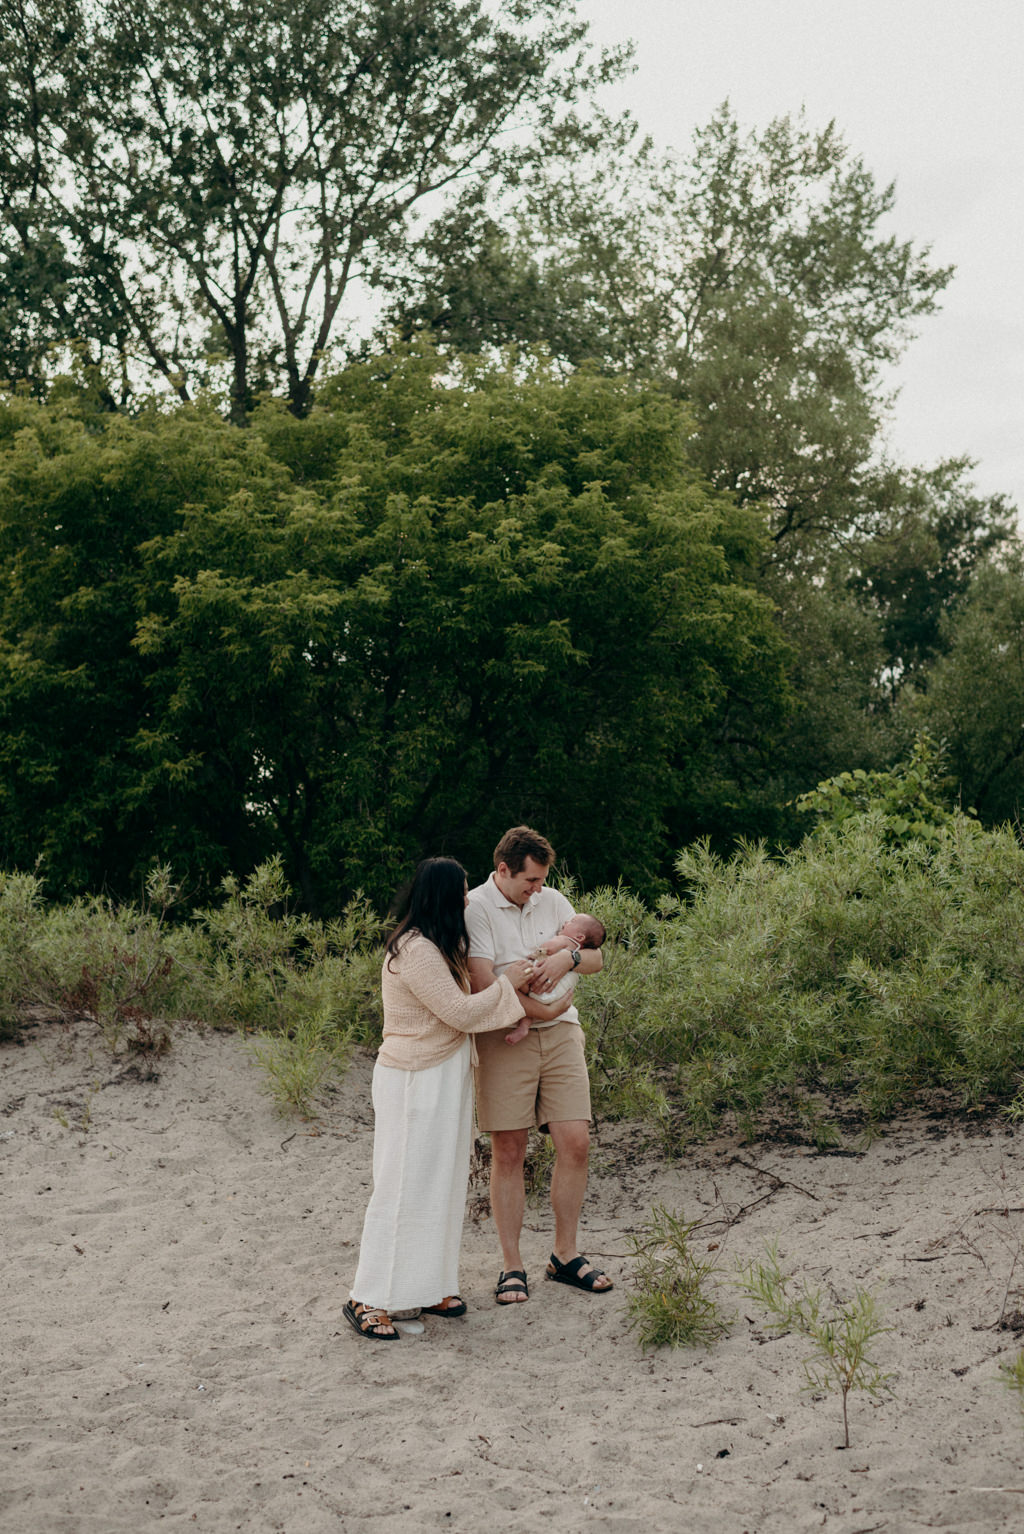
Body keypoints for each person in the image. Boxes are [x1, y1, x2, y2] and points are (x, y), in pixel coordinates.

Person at [345, 857, 533, 1340]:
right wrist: (511, 986)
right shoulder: (415, 950)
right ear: (443, 895)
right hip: (413, 1078)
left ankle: (426, 1287)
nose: (468, 898)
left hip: (444, 1078)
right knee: (402, 1185)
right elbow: (459, 1013)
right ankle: (366, 1297)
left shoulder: (439, 946)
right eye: (463, 890)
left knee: (441, 1184)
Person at [466, 827, 614, 1305]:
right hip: (504, 1033)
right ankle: (512, 1264)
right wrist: (542, 1010)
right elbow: (482, 984)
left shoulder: (553, 900)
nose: (538, 889)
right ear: (503, 870)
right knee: (509, 1148)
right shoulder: (475, 907)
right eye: (530, 880)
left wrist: (567, 958)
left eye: (543, 880)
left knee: (576, 1141)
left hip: (563, 1034)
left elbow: (596, 956)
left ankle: (564, 1255)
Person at [503, 913, 607, 1045]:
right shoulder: (579, 950)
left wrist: (536, 953)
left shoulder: (565, 940)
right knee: (531, 993)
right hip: (555, 997)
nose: (565, 922)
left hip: (544, 985)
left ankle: (523, 1026)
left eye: (571, 921)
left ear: (579, 936)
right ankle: (524, 1027)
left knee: (522, 976)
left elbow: (549, 948)